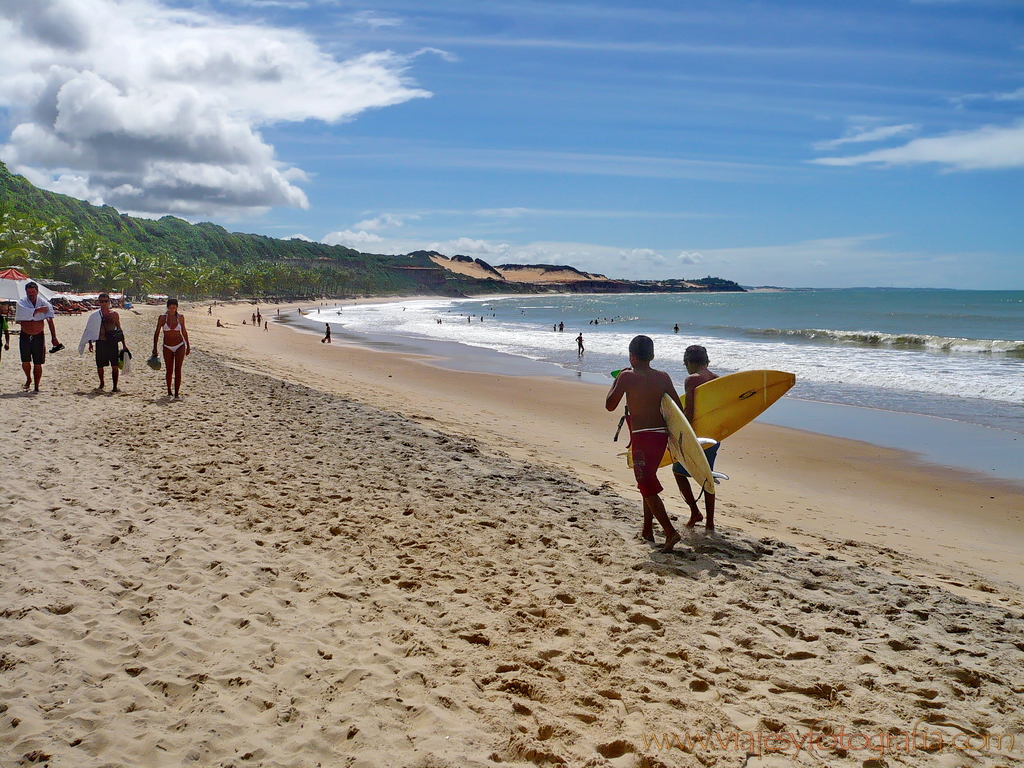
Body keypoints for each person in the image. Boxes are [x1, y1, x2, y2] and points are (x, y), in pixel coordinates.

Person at [605, 335, 682, 553]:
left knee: (645, 483)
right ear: (653, 355)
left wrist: (617, 379)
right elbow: (677, 408)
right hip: (660, 436)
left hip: (641, 436)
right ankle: (647, 529)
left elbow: (610, 405)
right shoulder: (664, 376)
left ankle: (669, 532)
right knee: (648, 480)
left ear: (631, 356)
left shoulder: (627, 376)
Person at [673, 345, 719, 531]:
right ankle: (710, 522)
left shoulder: (692, 380)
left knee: (678, 472)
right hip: (714, 434)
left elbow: (689, 411)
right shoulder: (717, 379)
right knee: (707, 477)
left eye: (686, 364)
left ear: (690, 362)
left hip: (696, 434)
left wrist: (682, 434)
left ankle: (694, 511)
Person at [15, 281, 60, 392]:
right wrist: (37, 311)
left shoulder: (45, 303)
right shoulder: (21, 302)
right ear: (26, 292)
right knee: (25, 361)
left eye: (33, 292)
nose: (31, 294)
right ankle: (28, 378)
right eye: (29, 292)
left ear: (37, 292)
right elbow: (23, 314)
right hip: (25, 335)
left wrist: (54, 337)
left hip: (38, 335)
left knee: (38, 362)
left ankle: (36, 386)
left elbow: (50, 320)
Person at [88, 293, 128, 392]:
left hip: (112, 342)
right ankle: (102, 383)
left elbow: (119, 329)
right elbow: (90, 329)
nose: (104, 303)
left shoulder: (114, 314)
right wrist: (90, 343)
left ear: (109, 302)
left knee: (114, 365)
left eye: (106, 301)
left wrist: (124, 344)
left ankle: (115, 386)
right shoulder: (95, 315)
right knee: (100, 365)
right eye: (102, 301)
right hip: (100, 341)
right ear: (99, 302)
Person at [152, 298, 190, 398]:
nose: (172, 310)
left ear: (177, 307)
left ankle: (176, 393)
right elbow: (156, 333)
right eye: (170, 308)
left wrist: (188, 345)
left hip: (180, 345)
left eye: (174, 308)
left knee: (178, 369)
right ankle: (169, 390)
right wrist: (154, 348)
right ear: (167, 308)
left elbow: (184, 332)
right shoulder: (162, 318)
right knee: (169, 369)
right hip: (167, 346)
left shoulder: (180, 317)